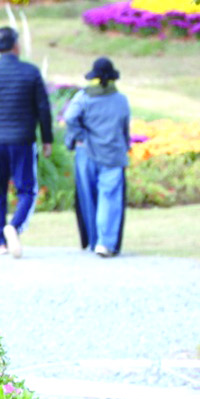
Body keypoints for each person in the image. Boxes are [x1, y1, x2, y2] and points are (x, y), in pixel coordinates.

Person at [0, 26, 54, 259]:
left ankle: (0, 241)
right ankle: (14, 226)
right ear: (16, 45)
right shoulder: (31, 72)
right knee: (27, 190)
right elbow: (43, 109)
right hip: (23, 141)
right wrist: (47, 139)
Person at [64, 56, 131, 258]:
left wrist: (81, 136)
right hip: (113, 155)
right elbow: (124, 129)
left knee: (89, 198)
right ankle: (105, 243)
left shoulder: (83, 97)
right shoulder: (121, 100)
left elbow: (69, 117)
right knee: (109, 198)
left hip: (86, 153)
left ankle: (93, 241)